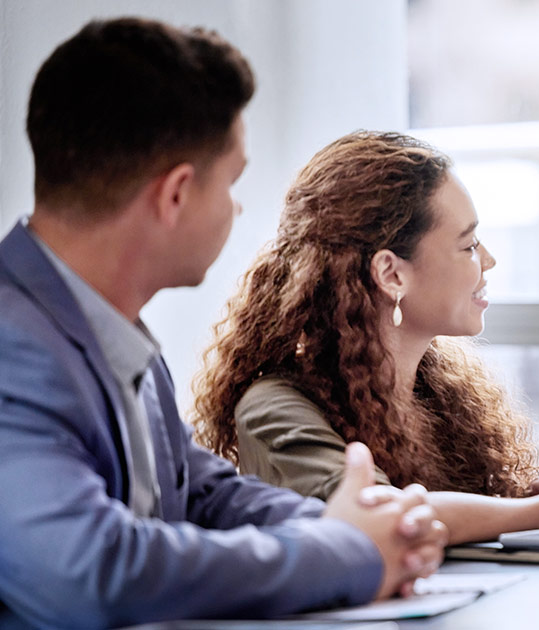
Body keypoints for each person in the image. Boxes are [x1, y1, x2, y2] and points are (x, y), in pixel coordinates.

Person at [0, 18, 447, 630]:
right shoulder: (12, 344)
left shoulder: (112, 333)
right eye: (232, 181)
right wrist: (345, 551)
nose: (237, 207)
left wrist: (363, 524)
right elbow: (94, 571)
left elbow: (199, 491)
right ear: (176, 195)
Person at [191, 131, 539, 545]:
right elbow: (383, 518)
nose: (489, 260)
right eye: (469, 245)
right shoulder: (275, 407)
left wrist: (517, 502)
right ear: (391, 274)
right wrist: (532, 515)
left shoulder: (442, 398)